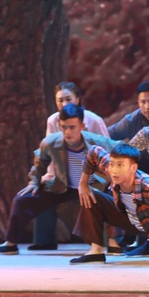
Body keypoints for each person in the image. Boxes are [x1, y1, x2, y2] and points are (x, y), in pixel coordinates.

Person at [0, 103, 121, 255]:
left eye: (72, 127)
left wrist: (116, 176)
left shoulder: (97, 141)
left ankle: (113, 242)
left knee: (114, 195)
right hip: (63, 185)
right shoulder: (50, 142)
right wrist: (34, 181)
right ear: (59, 126)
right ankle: (10, 243)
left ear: (82, 126)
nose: (68, 132)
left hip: (93, 186)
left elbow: (119, 148)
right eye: (64, 127)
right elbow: (40, 162)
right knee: (22, 199)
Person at [69, 143, 149, 264]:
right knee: (92, 196)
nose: (114, 170)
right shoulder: (112, 169)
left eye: (120, 165)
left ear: (133, 168)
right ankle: (96, 250)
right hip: (129, 219)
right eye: (112, 164)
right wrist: (83, 183)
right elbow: (94, 151)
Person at [33, 81, 111, 251]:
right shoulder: (53, 120)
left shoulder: (94, 120)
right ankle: (44, 240)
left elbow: (107, 149)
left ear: (77, 99)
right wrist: (48, 176)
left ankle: (108, 241)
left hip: (92, 176)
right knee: (44, 190)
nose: (64, 103)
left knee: (105, 195)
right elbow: (50, 151)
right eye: (60, 100)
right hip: (64, 175)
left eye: (68, 99)